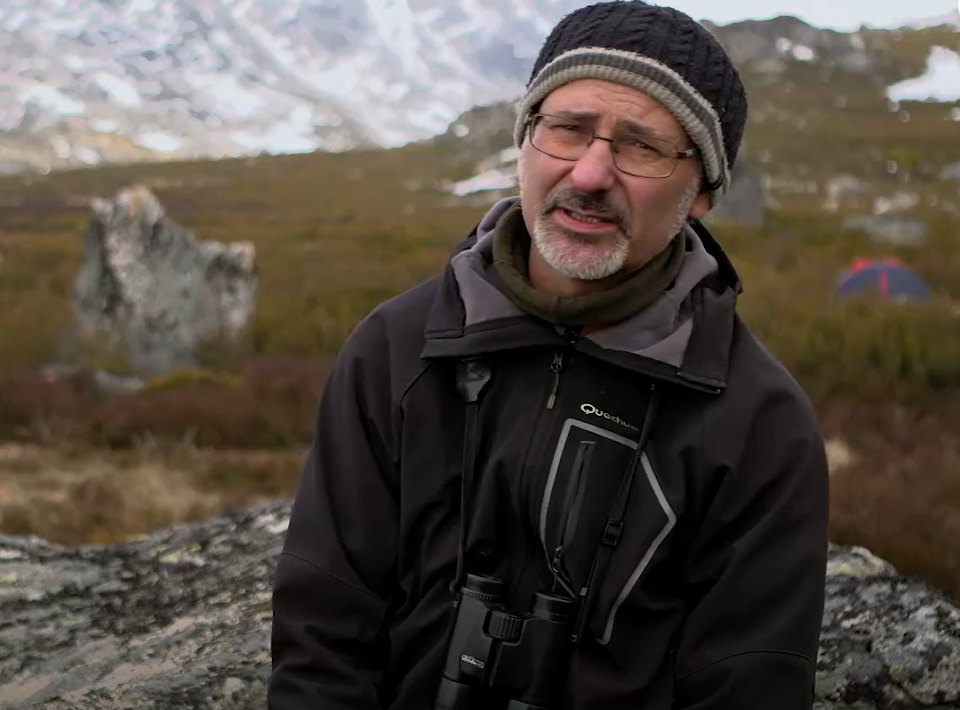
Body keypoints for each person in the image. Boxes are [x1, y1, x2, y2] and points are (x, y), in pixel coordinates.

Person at [267, 2, 830, 708]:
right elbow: (322, 632)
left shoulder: (759, 425)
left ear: (702, 195)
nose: (590, 174)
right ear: (526, 142)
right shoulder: (396, 350)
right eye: (567, 129)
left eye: (642, 146)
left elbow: (749, 686)